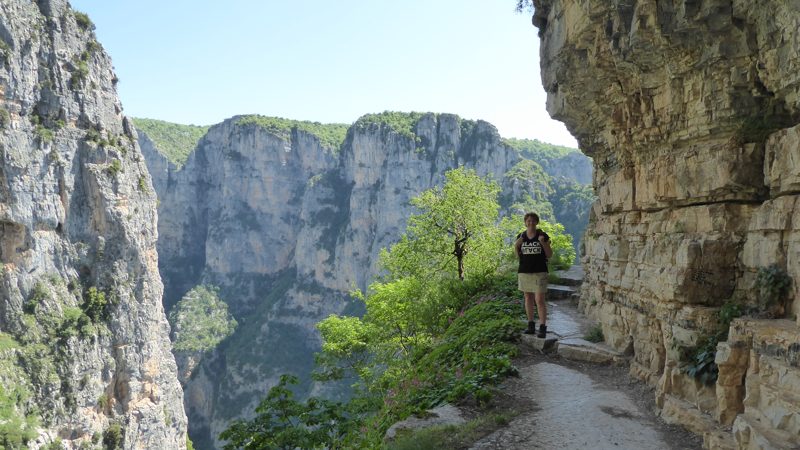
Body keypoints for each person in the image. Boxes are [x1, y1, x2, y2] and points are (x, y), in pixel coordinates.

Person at [514, 212, 553, 338]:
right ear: (525, 222)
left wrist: (543, 243)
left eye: (533, 220)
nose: (530, 223)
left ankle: (542, 328)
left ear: (537, 222)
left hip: (540, 271)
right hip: (524, 271)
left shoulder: (542, 235)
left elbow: (549, 254)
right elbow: (518, 255)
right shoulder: (521, 236)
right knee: (527, 298)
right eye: (528, 221)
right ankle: (530, 325)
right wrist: (516, 245)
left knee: (539, 300)